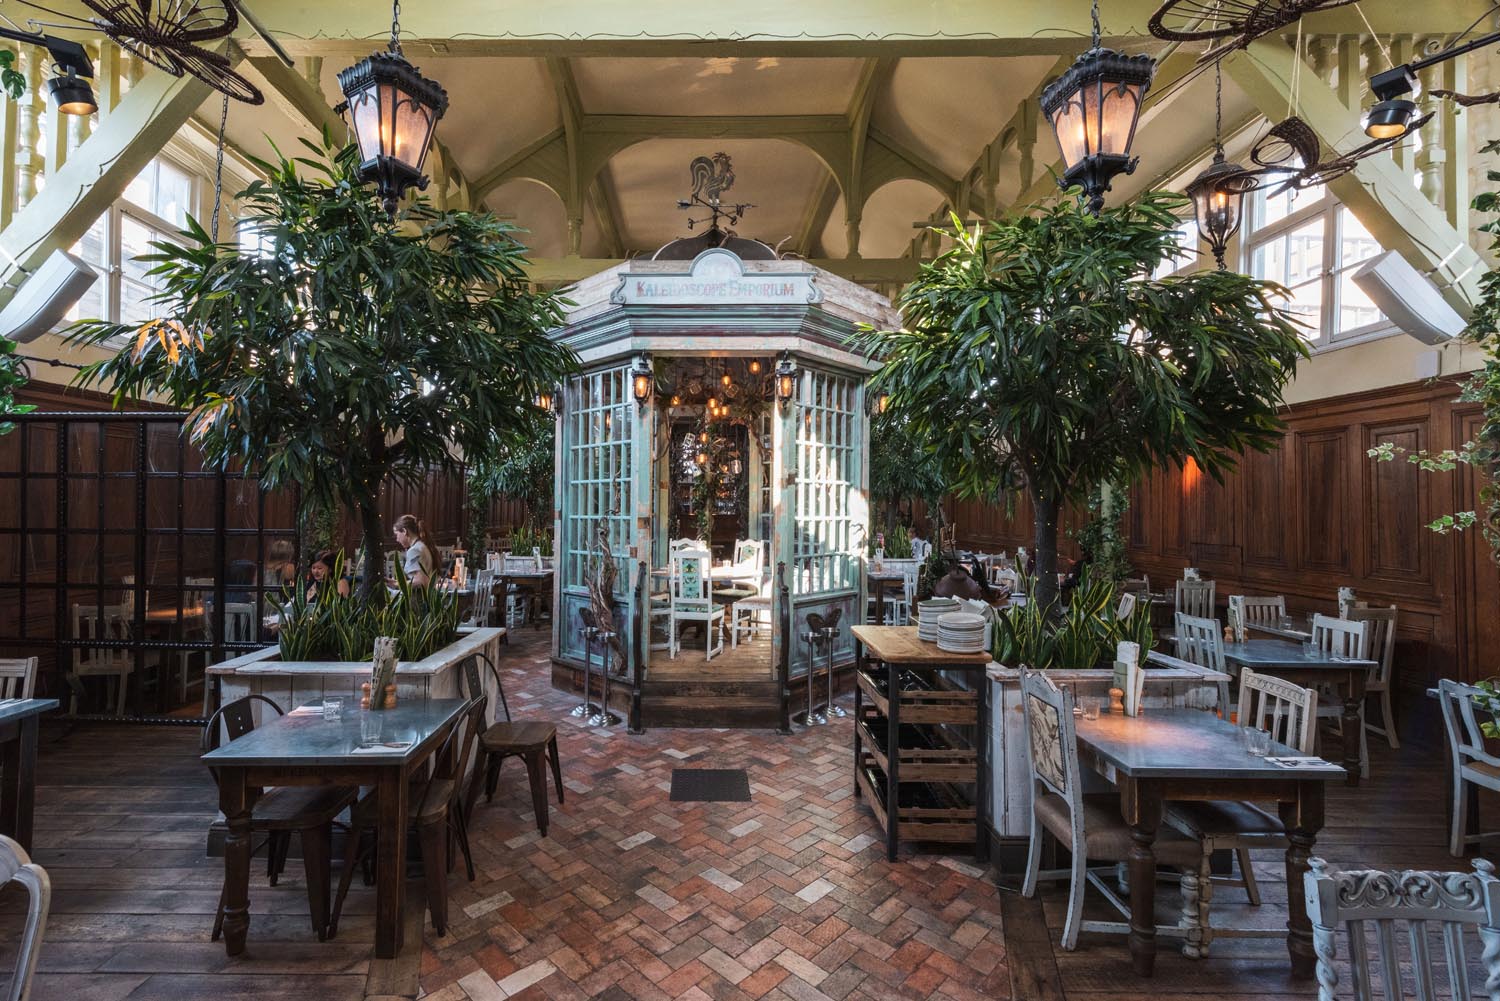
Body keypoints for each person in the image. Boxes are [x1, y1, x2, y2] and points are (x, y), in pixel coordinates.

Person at [392, 514, 433, 588]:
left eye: (397, 535)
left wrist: (396, 585)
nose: (397, 539)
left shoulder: (414, 551)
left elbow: (420, 582)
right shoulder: (422, 546)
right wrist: (398, 582)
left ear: (404, 531)